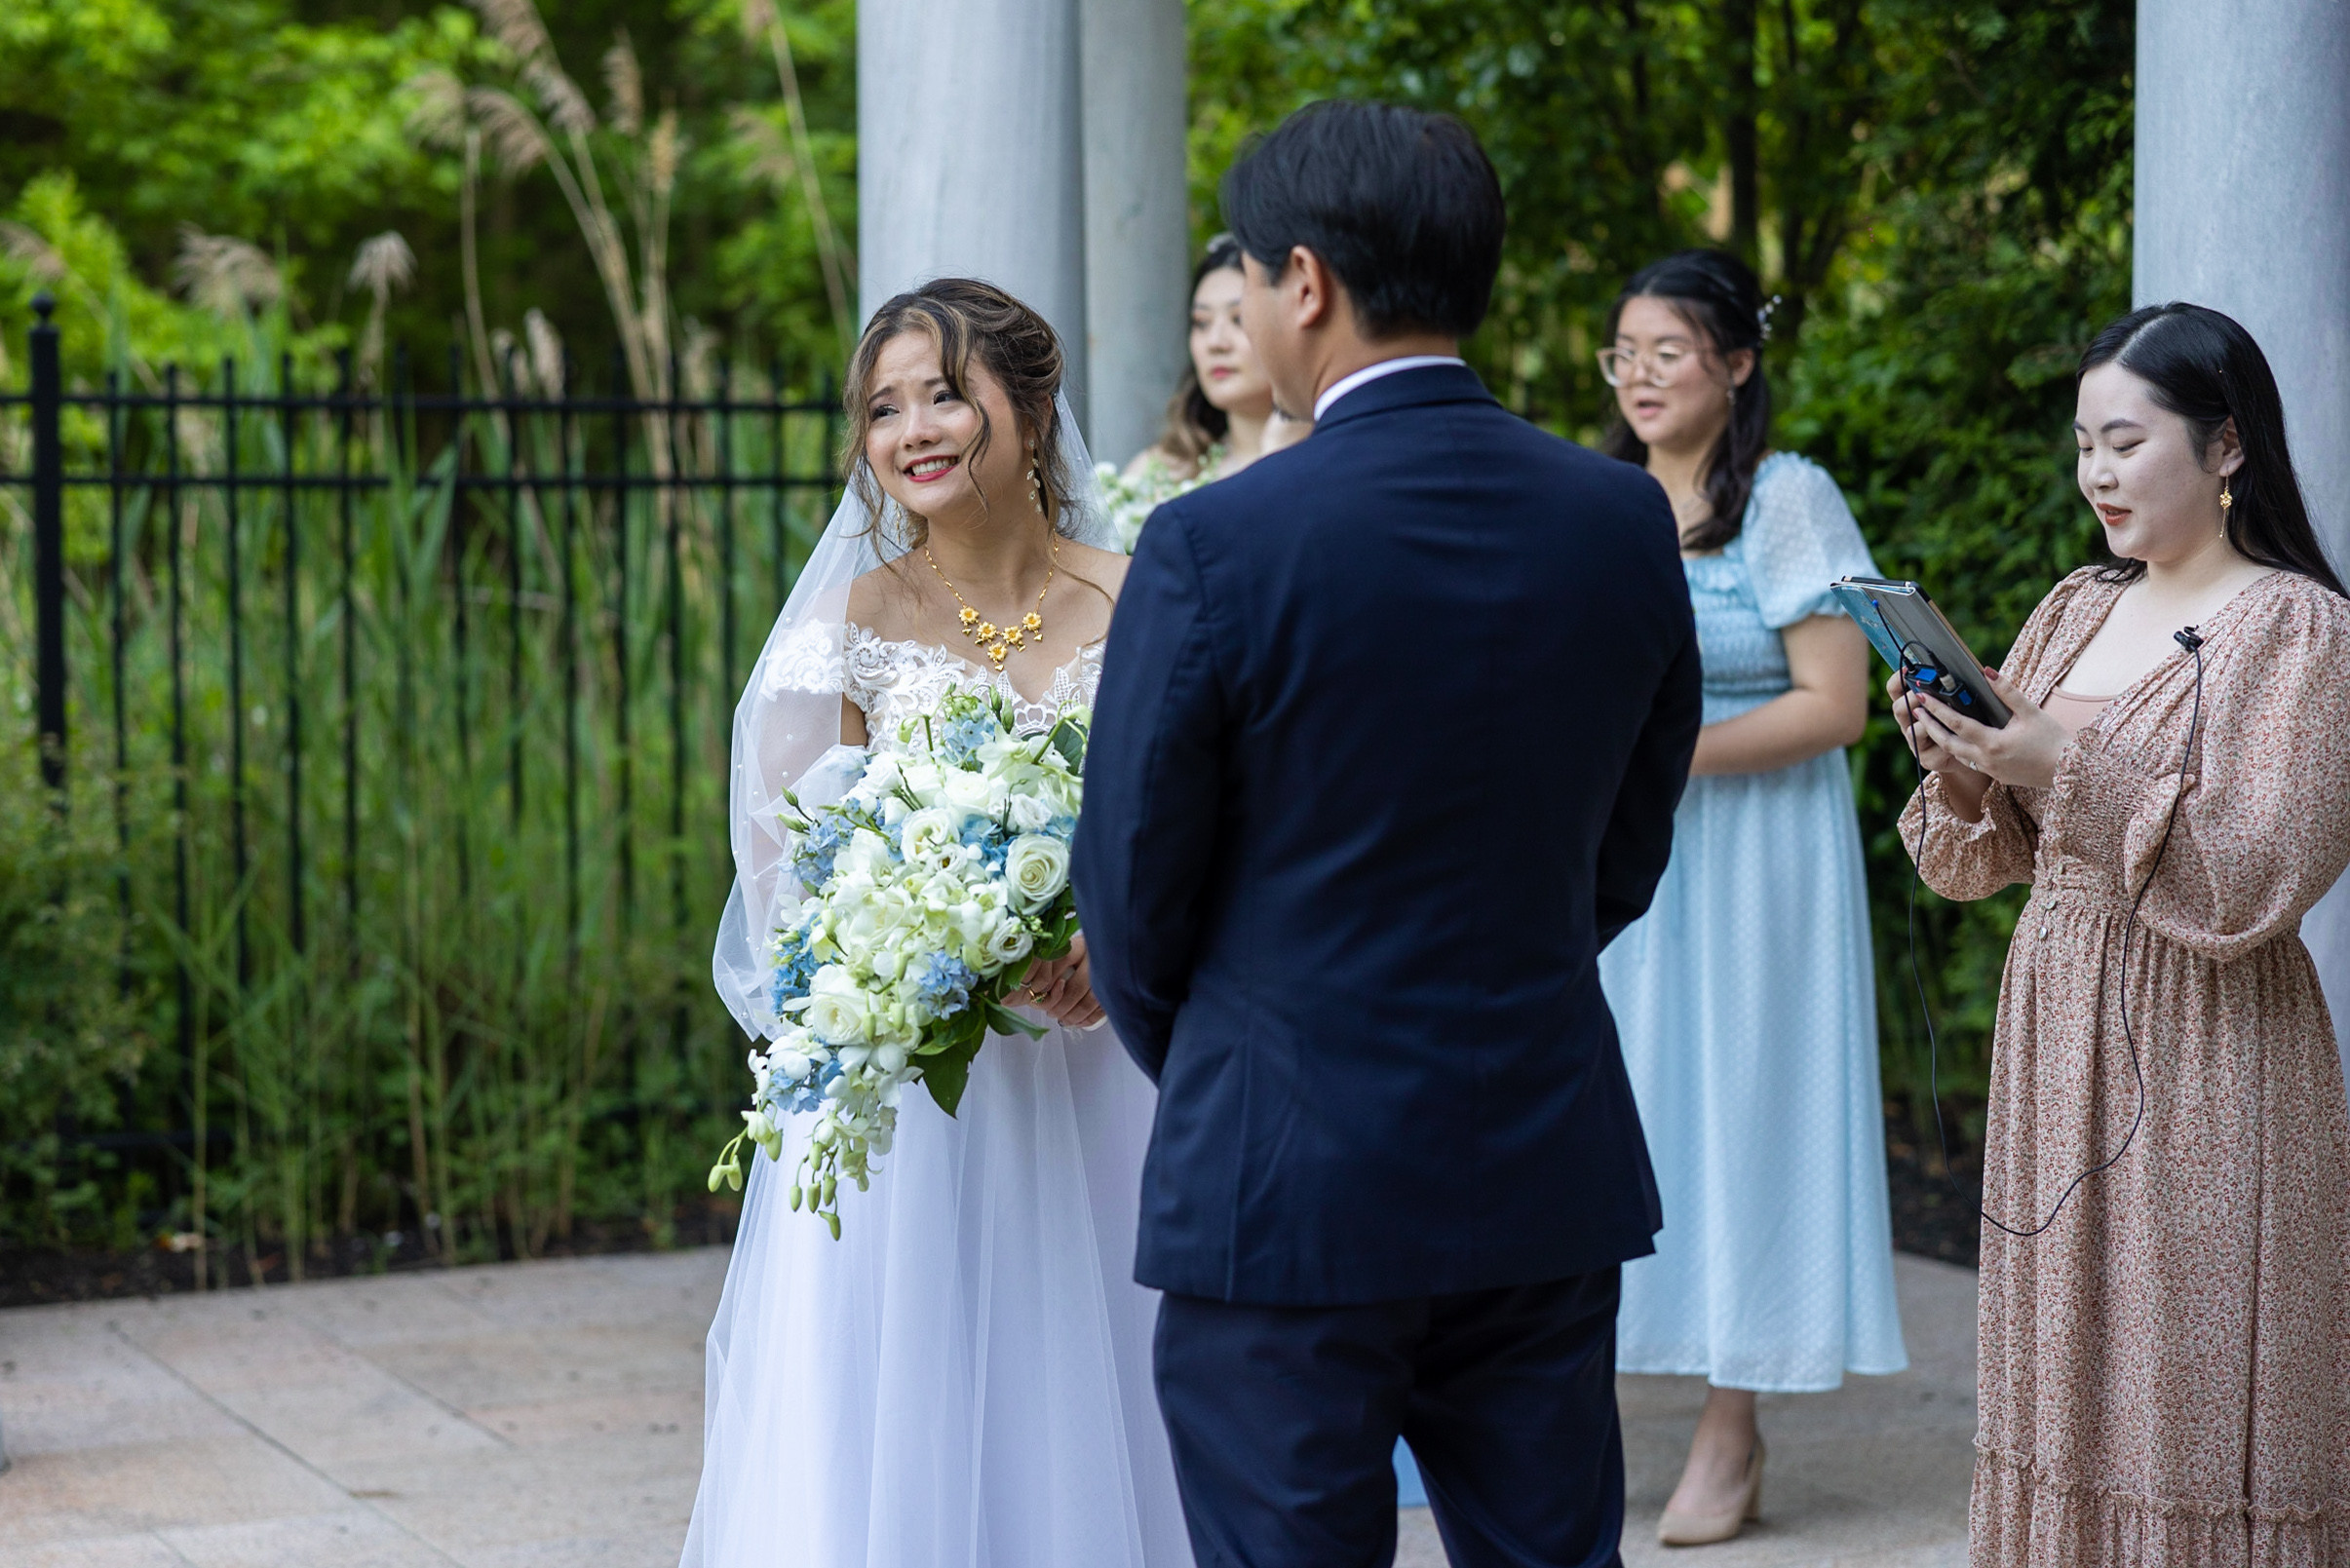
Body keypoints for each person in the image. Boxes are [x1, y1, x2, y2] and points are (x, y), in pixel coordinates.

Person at [1074, 100, 1704, 1568]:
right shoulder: (1615, 520)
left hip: (1279, 1170)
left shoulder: (1215, 542)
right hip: (1536, 1150)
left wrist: (1239, 1048)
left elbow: (1130, 886)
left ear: (1304, 283)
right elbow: (1626, 842)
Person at [691, 279, 1193, 1568]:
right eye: (881, 407)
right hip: (918, 1106)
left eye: (944, 393)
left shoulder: (1141, 597)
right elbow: (785, 891)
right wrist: (935, 950)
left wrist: (1113, 947)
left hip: (1107, 1078)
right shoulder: (846, 630)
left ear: (1027, 407)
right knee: (907, 1416)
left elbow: (1204, 824)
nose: (912, 427)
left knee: (1104, 1395)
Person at [1892, 302, 2350, 1567]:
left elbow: (2254, 878)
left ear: (2223, 449)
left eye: (2124, 441)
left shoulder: (2298, 629)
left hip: (2209, 1048)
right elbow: (1968, 861)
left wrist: (2064, 760)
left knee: (2188, 1376)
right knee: (2065, 1366)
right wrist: (1967, 767)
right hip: (2054, 1025)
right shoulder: (2070, 604)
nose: (2093, 471)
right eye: (2081, 443)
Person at [1591, 249, 1907, 1547]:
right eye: (1623, 352)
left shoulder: (1783, 496)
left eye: (1668, 350)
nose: (1641, 375)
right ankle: (1578, 1405)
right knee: (1620, 1116)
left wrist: (1654, 758)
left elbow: (1832, 706)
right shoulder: (1593, 495)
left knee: (1744, 1114)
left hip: (1757, 863)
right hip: (1620, 863)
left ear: (1733, 361)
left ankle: (1732, 1425)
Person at [1103, 233, 1308, 551]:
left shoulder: (1328, 461)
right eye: (1201, 323)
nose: (1216, 342)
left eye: (1239, 320)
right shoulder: (1158, 474)